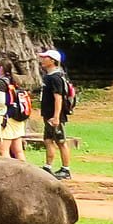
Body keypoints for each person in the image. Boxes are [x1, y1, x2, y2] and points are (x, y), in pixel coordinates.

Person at [38, 48, 73, 179]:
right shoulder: (48, 77)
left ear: (52, 61)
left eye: (45, 58)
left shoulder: (56, 78)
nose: (42, 60)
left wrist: (56, 116)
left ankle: (66, 169)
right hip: (48, 114)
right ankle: (48, 166)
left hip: (55, 115)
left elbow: (58, 98)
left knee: (61, 141)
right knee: (48, 140)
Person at [0, 60, 29, 161]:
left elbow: (1, 102)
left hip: (4, 119)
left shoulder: (1, 82)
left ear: (1, 68)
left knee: (4, 151)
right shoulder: (14, 80)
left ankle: (8, 174)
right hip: (17, 117)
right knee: (18, 151)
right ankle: (24, 173)